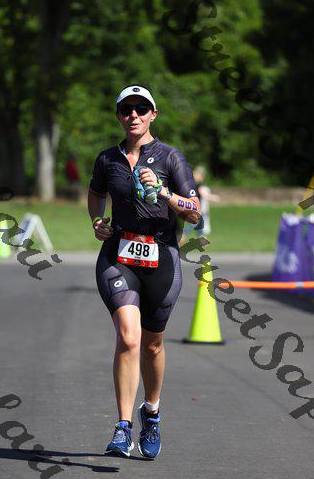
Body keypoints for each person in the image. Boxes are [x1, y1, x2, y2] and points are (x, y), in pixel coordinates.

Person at [88, 84, 200, 459]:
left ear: (154, 114)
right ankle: (122, 428)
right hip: (118, 254)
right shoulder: (108, 159)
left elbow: (195, 213)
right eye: (126, 109)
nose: (132, 115)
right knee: (128, 336)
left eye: (140, 109)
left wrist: (165, 192)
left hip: (161, 258)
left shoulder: (171, 158)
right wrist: (97, 220)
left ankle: (151, 412)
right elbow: (95, 193)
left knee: (152, 343)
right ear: (118, 115)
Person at [181, 165, 220, 241]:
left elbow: (203, 194)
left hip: (198, 211)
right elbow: (204, 194)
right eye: (195, 174)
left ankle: (198, 237)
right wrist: (213, 197)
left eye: (198, 174)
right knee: (195, 225)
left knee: (198, 227)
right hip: (195, 210)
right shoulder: (193, 185)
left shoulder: (200, 186)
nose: (196, 176)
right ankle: (183, 235)